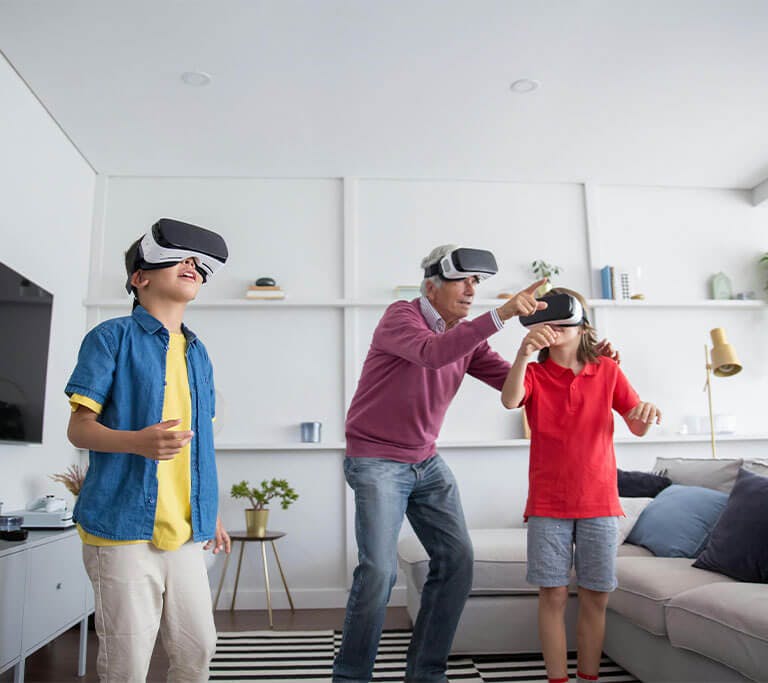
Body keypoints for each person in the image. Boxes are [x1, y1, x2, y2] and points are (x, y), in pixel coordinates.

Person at [333, 241, 553, 683]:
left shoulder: (465, 336)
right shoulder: (402, 316)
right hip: (376, 458)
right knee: (377, 570)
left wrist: (575, 355)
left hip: (425, 461)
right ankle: (351, 677)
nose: (472, 289)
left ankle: (426, 675)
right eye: (463, 279)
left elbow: (517, 387)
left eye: (477, 282)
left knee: (457, 560)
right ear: (432, 285)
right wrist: (503, 315)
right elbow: (433, 353)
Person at [65, 218, 232, 682]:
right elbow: (79, 429)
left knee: (198, 649)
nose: (192, 266)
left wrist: (210, 511)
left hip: (185, 531)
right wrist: (137, 442)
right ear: (140, 277)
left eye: (198, 264)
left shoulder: (198, 353)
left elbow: (202, 447)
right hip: (121, 528)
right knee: (128, 660)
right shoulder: (110, 338)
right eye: (179, 259)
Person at [500, 286, 661, 683]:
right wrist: (522, 354)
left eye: (561, 319)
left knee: (595, 597)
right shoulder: (535, 373)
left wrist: (648, 411)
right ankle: (558, 680)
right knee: (552, 596)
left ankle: (588, 678)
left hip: (600, 504)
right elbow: (509, 400)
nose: (553, 326)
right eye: (545, 320)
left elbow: (636, 424)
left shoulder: (607, 370)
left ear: (581, 324)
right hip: (547, 505)